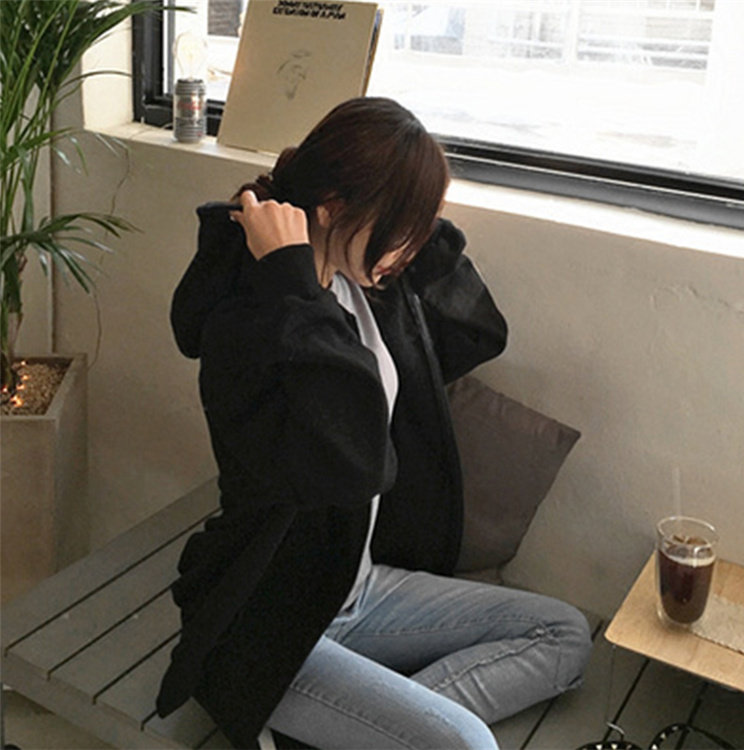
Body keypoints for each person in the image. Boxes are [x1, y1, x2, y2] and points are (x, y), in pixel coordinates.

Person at [156, 97, 591, 750]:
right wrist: (293, 282)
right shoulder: (255, 314)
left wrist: (411, 216)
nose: (406, 253)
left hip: (358, 590)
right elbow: (359, 463)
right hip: (270, 620)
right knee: (467, 745)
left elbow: (477, 333)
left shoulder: (359, 287)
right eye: (401, 230)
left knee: (564, 633)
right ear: (332, 207)